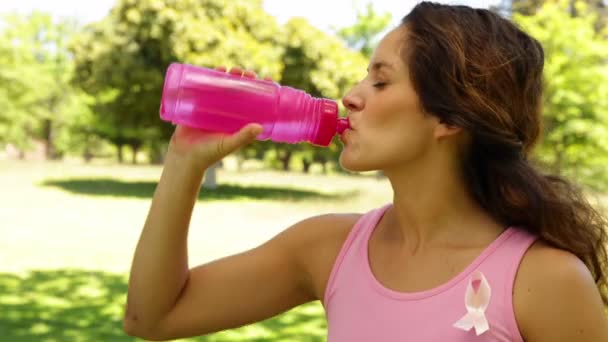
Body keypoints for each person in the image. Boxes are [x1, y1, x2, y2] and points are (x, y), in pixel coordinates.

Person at [123, 2, 608, 341]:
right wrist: (185, 161)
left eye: (381, 80)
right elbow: (153, 317)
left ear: (450, 117)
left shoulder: (543, 281)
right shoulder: (328, 249)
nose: (352, 95)